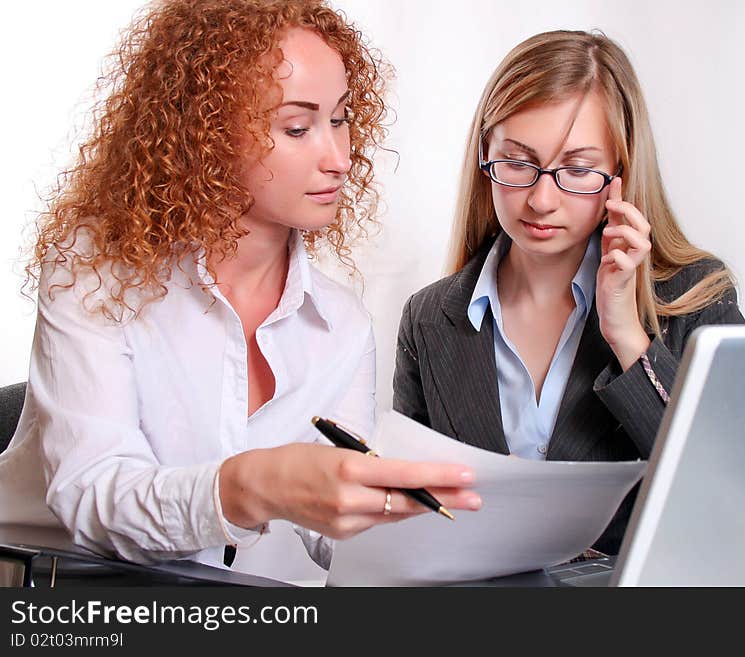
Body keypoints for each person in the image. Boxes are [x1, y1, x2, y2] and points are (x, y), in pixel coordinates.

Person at [0, 0, 480, 583]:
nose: (339, 158)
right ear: (205, 133)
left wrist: (451, 529)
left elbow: (329, 534)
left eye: (342, 117)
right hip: (47, 589)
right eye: (297, 127)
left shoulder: (342, 322)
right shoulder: (96, 273)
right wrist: (257, 484)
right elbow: (95, 499)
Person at [392, 30, 745, 555]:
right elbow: (411, 511)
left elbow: (731, 492)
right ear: (485, 155)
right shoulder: (429, 318)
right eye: (516, 162)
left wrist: (627, 335)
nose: (540, 199)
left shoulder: (695, 296)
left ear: (621, 173)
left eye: (577, 170)